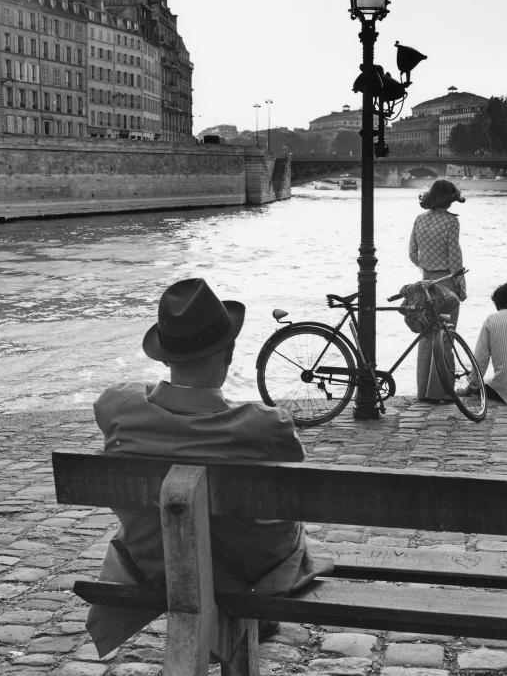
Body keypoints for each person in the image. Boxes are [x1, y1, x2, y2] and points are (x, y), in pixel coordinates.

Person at [86, 278, 332, 657]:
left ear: (165, 357)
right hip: (246, 571)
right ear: (230, 354)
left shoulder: (119, 408)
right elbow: (293, 490)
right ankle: (243, 617)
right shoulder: (264, 425)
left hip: (158, 565)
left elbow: (126, 394)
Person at [408, 179, 467, 403]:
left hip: (425, 283)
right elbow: (455, 258)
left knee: (426, 335)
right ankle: (441, 391)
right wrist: (461, 287)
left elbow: (412, 252)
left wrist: (426, 269)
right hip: (447, 281)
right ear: (449, 200)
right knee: (446, 335)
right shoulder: (452, 223)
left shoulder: (419, 220)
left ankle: (423, 391)